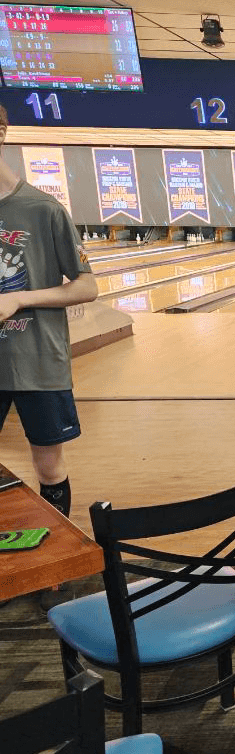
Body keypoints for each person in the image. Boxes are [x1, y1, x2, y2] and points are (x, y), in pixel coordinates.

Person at [0, 103, 99, 520]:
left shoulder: (43, 209)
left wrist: (20, 298)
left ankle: (58, 553)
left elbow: (87, 286)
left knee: (49, 467)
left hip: (38, 362)